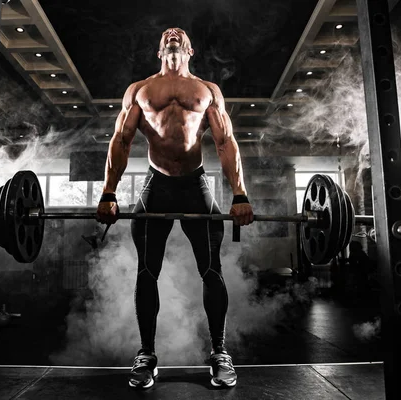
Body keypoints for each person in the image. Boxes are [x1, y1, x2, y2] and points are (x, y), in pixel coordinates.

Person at [96, 27, 254, 389]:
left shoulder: (208, 91)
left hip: (196, 184)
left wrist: (240, 194)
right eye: (167, 34)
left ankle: (219, 353)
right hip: (157, 185)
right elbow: (120, 140)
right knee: (146, 271)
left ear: (190, 49)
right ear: (159, 50)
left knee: (211, 270)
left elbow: (226, 141)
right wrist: (108, 192)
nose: (173, 33)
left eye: (179, 34)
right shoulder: (139, 90)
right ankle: (147, 355)